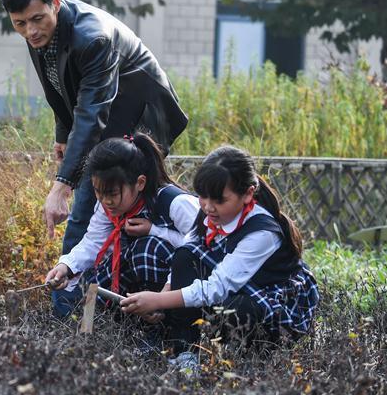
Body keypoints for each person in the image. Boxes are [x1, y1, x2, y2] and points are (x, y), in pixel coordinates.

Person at [1, 0, 188, 314]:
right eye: (19, 23)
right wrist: (62, 135)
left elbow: (91, 115)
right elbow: (58, 88)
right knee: (108, 217)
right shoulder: (37, 32)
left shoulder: (93, 37)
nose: (30, 30)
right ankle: (97, 313)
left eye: (37, 19)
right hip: (105, 117)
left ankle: (67, 316)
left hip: (142, 115)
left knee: (88, 205)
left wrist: (61, 185)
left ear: (55, 2)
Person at [118, 146, 320, 370]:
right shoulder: (208, 212)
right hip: (236, 285)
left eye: (219, 200)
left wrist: (157, 301)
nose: (207, 206)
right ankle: (184, 352)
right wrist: (163, 294)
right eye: (202, 196)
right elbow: (187, 252)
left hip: (270, 299)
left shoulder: (262, 232)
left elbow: (218, 287)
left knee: (237, 308)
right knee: (185, 256)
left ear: (248, 194)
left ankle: (247, 361)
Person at [44, 133, 199, 325]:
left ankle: (164, 328)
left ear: (140, 183)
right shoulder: (108, 205)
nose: (105, 201)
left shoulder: (176, 203)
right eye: (98, 192)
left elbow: (201, 250)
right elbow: (93, 242)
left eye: (112, 193)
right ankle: (90, 334)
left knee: (148, 249)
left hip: (181, 286)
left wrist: (162, 297)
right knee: (87, 283)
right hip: (135, 275)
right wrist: (65, 267)